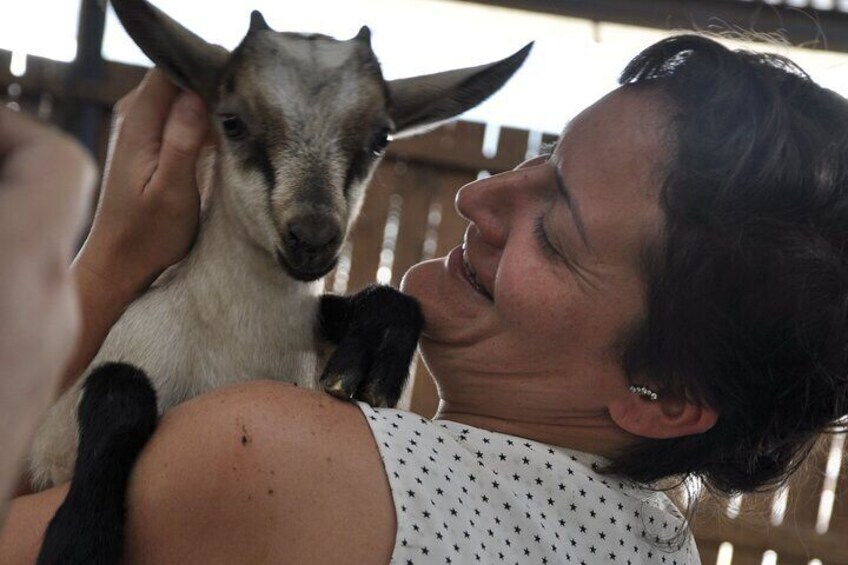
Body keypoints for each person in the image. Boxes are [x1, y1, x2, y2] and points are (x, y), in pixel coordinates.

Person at [2, 33, 848, 564]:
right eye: (540, 159)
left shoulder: (270, 461)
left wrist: (112, 256)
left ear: (663, 398)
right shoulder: (653, 546)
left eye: (554, 234)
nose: (476, 201)